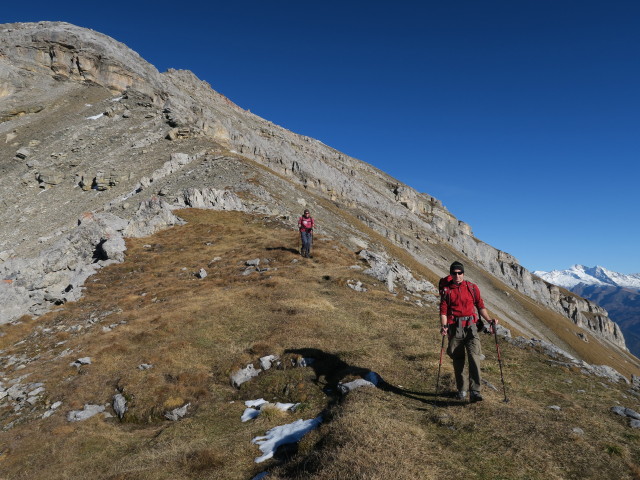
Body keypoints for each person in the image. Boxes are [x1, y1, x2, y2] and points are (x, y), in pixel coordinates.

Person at [439, 261, 498, 402]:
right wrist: (444, 326)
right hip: (454, 327)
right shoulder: (447, 290)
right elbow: (443, 311)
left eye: (460, 273)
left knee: (474, 357)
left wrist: (489, 320)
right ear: (451, 274)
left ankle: (475, 391)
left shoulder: (472, 288)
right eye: (454, 273)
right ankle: (462, 390)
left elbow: (480, 306)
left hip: (471, 326)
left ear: (463, 274)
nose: (457, 275)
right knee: (458, 359)